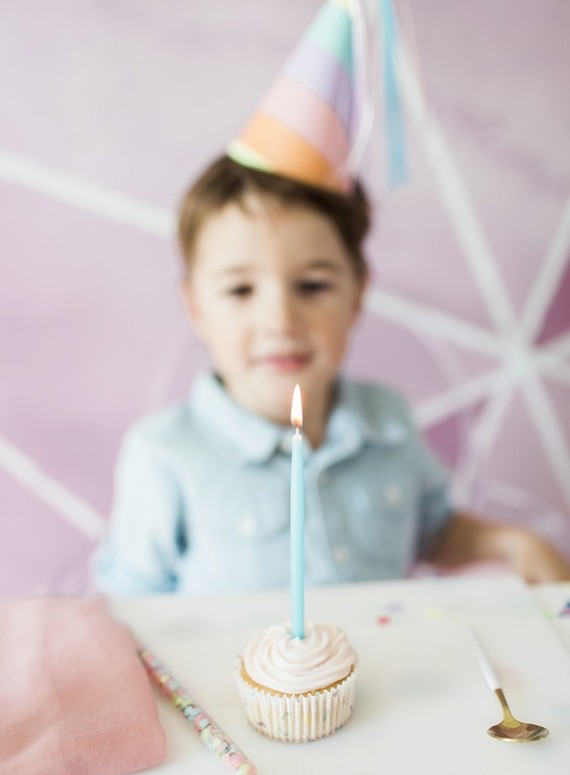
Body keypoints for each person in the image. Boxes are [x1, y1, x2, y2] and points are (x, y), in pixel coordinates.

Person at [92, 1, 570, 595]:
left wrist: (513, 542)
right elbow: (127, 610)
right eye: (240, 289)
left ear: (357, 295)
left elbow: (432, 531)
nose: (280, 318)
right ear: (196, 308)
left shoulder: (388, 424)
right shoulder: (164, 457)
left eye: (313, 285)